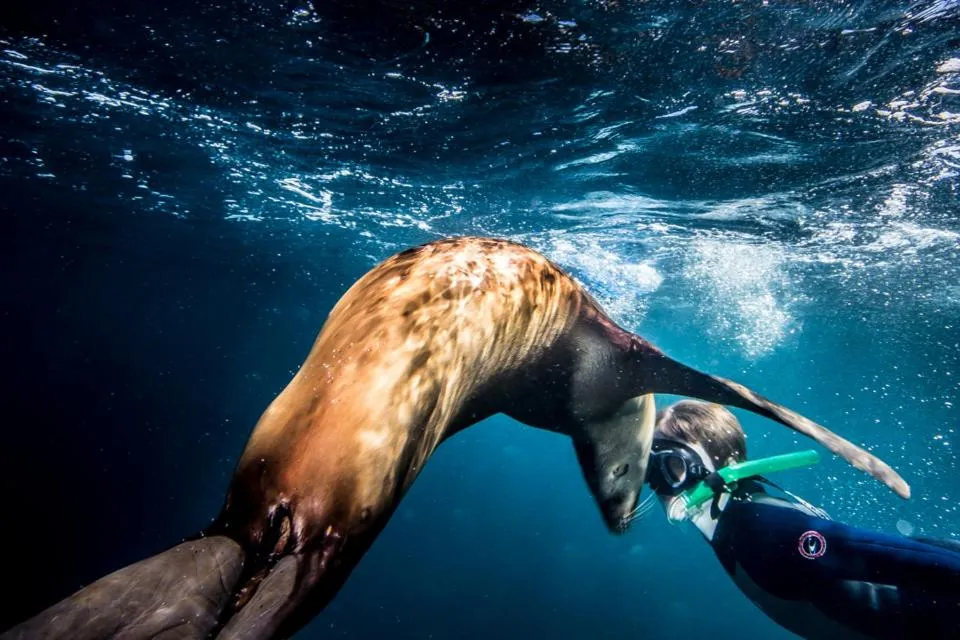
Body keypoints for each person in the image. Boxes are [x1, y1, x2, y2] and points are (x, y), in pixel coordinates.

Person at [644, 398, 960, 640]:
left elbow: (901, 557)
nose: (662, 487)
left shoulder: (759, 531)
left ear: (723, 467)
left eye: (674, 466)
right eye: (650, 470)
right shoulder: (727, 523)